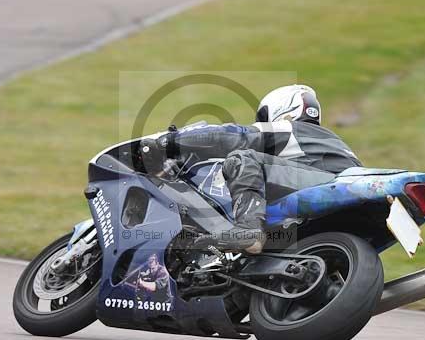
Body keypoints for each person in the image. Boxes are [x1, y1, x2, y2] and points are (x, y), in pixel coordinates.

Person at [142, 85, 361, 254]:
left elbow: (233, 137)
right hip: (346, 206)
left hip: (327, 184)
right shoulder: (331, 142)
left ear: (284, 110)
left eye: (264, 119)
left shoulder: (291, 128)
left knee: (242, 158)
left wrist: (170, 141)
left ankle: (248, 228)